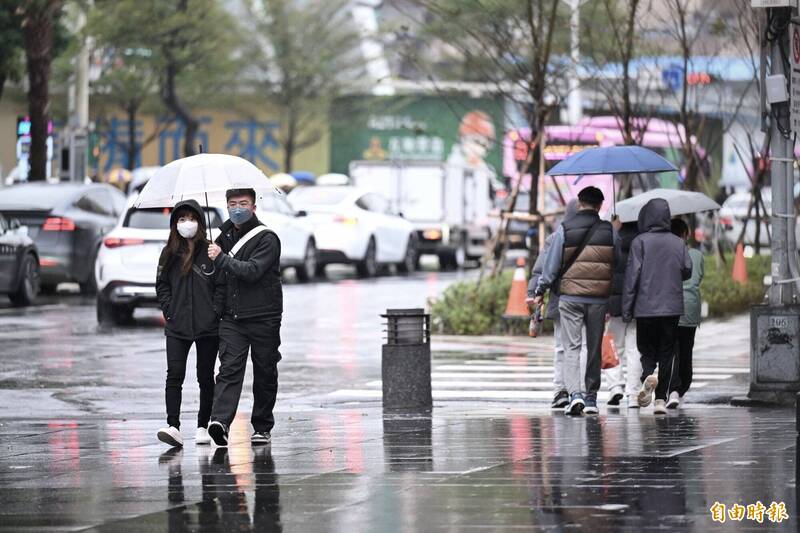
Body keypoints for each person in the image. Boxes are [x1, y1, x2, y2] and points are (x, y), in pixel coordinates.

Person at [206, 188, 283, 447]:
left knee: (264, 372)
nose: (237, 209)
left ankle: (262, 427)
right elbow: (218, 277)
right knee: (229, 369)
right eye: (232, 204)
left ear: (253, 207)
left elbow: (252, 271)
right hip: (233, 317)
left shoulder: (267, 238)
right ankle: (220, 422)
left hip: (264, 316)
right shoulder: (223, 237)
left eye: (243, 203)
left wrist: (221, 258)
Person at [533, 186, 615, 416]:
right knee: (593, 348)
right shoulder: (608, 230)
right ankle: (591, 398)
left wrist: (541, 289)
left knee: (571, 347)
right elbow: (617, 263)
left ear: (580, 203)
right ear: (600, 205)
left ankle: (574, 395)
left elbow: (551, 266)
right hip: (598, 299)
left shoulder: (564, 229)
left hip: (569, 298)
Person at [155, 199, 223, 447]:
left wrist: (215, 311)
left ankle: (203, 426)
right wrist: (169, 309)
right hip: (177, 325)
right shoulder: (169, 253)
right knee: (174, 375)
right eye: (182, 219)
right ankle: (173, 426)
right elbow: (161, 285)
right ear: (175, 224)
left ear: (200, 223)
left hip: (208, 326)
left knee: (205, 376)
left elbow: (221, 286)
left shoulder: (211, 250)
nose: (187, 223)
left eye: (192, 219)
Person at [622, 199, 692, 415]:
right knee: (667, 351)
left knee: (646, 348)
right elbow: (687, 270)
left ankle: (648, 375)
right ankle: (660, 399)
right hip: (671, 307)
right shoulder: (678, 243)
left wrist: (627, 309)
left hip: (645, 307)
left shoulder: (639, 242)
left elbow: (632, 278)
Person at [527, 200, 586, 410]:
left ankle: (561, 390)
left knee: (562, 347)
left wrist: (535, 292)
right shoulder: (595, 236)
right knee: (583, 347)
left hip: (561, 298)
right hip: (589, 298)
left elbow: (541, 270)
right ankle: (580, 391)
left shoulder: (555, 237)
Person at [604, 221, 643, 409]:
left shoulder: (613, 243)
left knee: (614, 347)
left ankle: (615, 387)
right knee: (634, 350)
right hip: (637, 305)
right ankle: (633, 394)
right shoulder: (643, 244)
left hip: (615, 305)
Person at [668, 218, 704, 409]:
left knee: (671, 349)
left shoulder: (666, 254)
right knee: (686, 349)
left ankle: (673, 388)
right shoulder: (696, 255)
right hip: (690, 308)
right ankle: (682, 386)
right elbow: (699, 277)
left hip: (670, 307)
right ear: (685, 234)